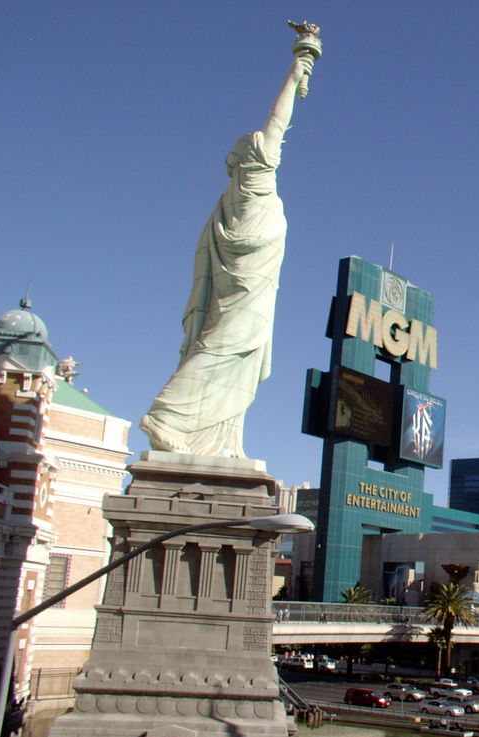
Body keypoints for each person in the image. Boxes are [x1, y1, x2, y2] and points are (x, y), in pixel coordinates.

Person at [140, 48, 316, 458]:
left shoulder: (232, 199)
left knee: (236, 360)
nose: (272, 147)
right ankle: (166, 414)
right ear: (252, 157)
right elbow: (277, 123)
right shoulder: (255, 181)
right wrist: (295, 74)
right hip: (247, 289)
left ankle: (217, 440)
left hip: (250, 290)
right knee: (223, 348)